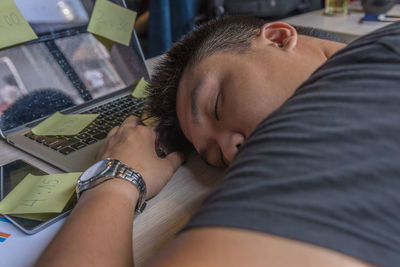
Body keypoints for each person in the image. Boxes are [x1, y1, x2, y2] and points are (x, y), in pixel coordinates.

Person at [36, 16, 400, 266]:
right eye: (215, 158)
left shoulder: (359, 88)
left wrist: (115, 178)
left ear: (276, 38)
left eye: (217, 104)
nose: (229, 150)